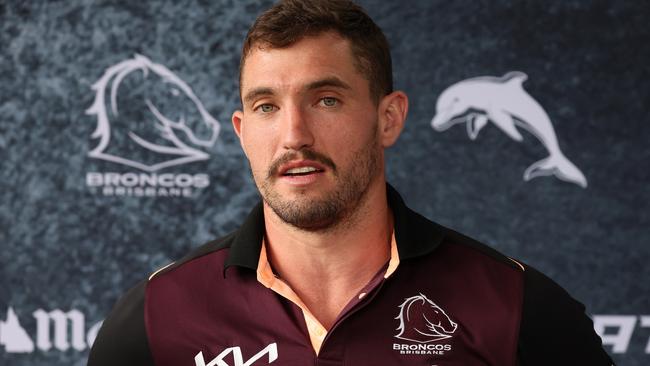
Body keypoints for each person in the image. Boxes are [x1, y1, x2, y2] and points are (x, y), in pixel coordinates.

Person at [88, 0, 615, 365]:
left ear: (389, 118)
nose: (294, 135)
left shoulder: (517, 309)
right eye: (267, 106)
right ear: (243, 132)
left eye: (327, 100)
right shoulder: (157, 319)